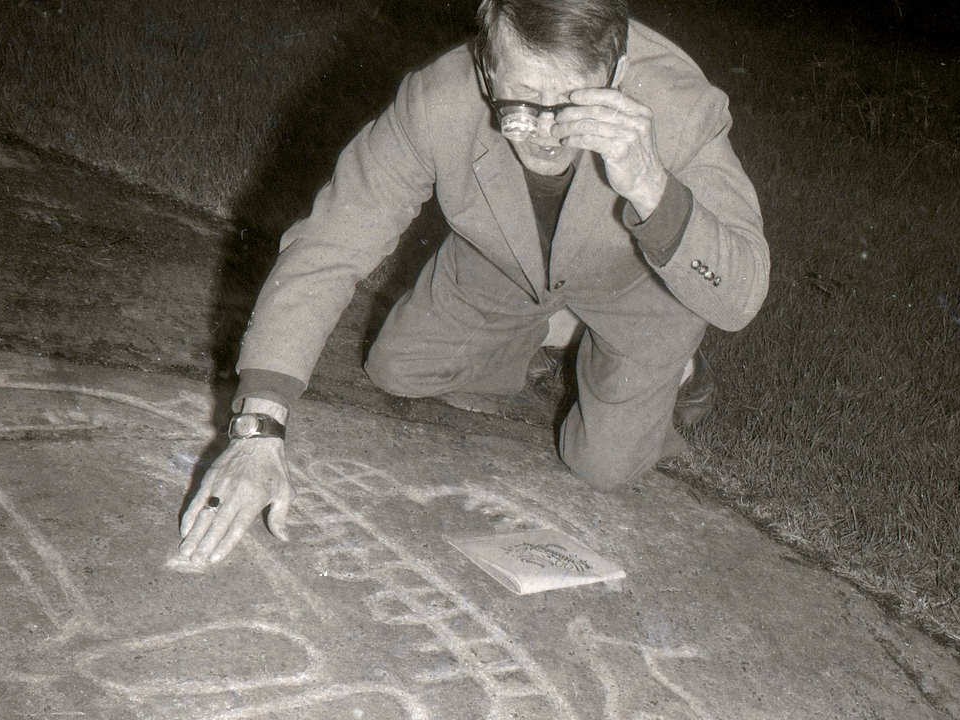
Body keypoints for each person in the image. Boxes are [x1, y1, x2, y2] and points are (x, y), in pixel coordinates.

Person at [179, 0, 769, 565]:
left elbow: (741, 295)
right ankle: (562, 331)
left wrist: (651, 186)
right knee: (398, 370)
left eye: (573, 100)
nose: (546, 132)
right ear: (487, 68)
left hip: (637, 286)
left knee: (602, 467)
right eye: (524, 99)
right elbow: (331, 245)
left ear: (616, 72)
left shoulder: (680, 106)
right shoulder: (437, 99)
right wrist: (259, 429)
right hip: (505, 265)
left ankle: (676, 364)